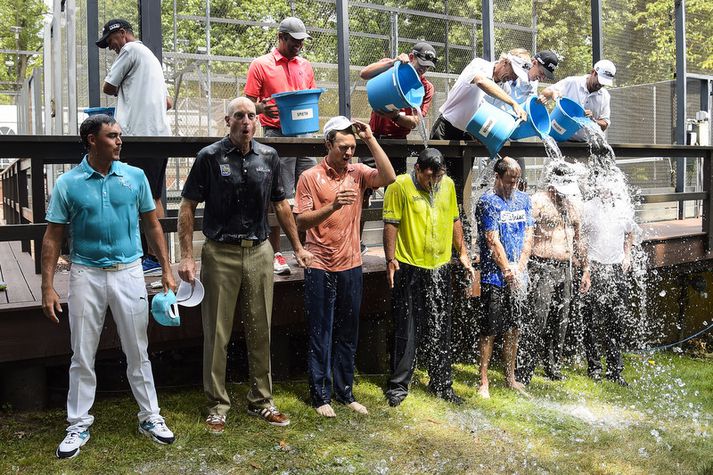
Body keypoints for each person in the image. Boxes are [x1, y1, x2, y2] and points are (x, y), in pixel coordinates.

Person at [42, 114, 176, 459]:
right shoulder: (68, 184)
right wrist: (48, 287)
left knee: (138, 349)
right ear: (91, 140)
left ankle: (151, 417)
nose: (119, 141)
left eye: (119, 135)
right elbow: (52, 236)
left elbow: (153, 226)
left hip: (129, 271)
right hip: (85, 273)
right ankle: (78, 424)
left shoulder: (135, 177)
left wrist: (167, 269)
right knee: (82, 353)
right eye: (112, 136)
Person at [177, 97, 313, 434]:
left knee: (260, 328)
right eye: (240, 115)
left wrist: (298, 247)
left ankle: (262, 401)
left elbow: (282, 206)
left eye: (251, 116)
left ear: (257, 121)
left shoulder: (269, 157)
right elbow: (187, 206)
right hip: (219, 252)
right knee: (217, 333)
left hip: (259, 251)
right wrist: (186, 255)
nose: (246, 121)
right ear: (228, 120)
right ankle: (216, 406)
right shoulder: (209, 157)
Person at [294, 116, 396, 417]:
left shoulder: (358, 172)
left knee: (348, 331)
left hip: (351, 263)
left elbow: (389, 177)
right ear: (328, 144)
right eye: (343, 147)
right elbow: (301, 220)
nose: (348, 153)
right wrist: (334, 205)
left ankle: (345, 392)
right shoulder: (310, 177)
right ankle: (320, 395)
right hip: (320, 263)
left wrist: (370, 139)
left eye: (352, 147)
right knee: (321, 331)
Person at [382, 148, 476, 407]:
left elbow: (455, 219)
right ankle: (399, 386)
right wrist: (390, 260)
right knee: (407, 327)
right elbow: (391, 224)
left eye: (437, 178)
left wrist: (463, 252)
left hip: (440, 265)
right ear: (417, 169)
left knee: (441, 325)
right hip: (409, 265)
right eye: (428, 178)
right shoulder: (399, 186)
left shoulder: (446, 185)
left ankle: (441, 383)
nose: (433, 183)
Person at [97, 18, 173, 274]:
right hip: (160, 136)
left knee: (141, 196)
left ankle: (152, 258)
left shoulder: (130, 50)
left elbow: (108, 86)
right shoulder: (152, 59)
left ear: (122, 33)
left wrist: (128, 95)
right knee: (153, 195)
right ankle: (155, 256)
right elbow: (169, 102)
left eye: (111, 41)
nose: (111, 48)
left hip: (140, 135)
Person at [245, 16, 316, 275]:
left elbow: (310, 97)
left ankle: (309, 247)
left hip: (305, 135)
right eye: (294, 41)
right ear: (281, 38)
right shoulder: (261, 65)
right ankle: (276, 253)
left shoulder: (306, 66)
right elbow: (247, 104)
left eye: (302, 41)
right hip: (276, 135)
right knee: (279, 194)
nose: (299, 45)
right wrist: (262, 107)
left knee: (310, 190)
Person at [516, 163, 591, 385]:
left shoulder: (572, 204)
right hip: (542, 267)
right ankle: (524, 369)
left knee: (561, 320)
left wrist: (586, 269)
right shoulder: (538, 201)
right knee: (538, 318)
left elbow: (579, 239)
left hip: (566, 268)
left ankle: (553, 365)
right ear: (552, 184)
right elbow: (525, 233)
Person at [475, 157, 533, 398]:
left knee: (514, 328)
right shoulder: (488, 202)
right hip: (494, 277)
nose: (513, 186)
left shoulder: (524, 200)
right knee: (489, 329)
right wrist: (505, 268)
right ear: (497, 177)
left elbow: (529, 235)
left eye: (516, 181)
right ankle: (484, 381)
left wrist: (519, 267)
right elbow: (491, 238)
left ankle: (511, 377)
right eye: (509, 181)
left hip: (518, 275)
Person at [581, 180, 634, 386]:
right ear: (598, 185)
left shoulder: (623, 207)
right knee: (591, 321)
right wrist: (585, 268)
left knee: (617, 322)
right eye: (606, 184)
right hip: (594, 267)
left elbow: (631, 232)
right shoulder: (588, 207)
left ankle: (615, 371)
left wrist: (627, 255)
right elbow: (581, 238)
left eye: (613, 185)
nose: (609, 188)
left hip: (616, 268)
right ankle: (594, 368)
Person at [430, 49, 529, 141]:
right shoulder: (479, 64)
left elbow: (490, 117)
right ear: (505, 62)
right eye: (514, 73)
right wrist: (513, 103)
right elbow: (481, 81)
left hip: (469, 135)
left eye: (517, 76)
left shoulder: (505, 89)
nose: (514, 78)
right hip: (446, 127)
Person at [540, 59, 616, 141]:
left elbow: (605, 124)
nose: (601, 85)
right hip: (558, 138)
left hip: (585, 144)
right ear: (593, 72)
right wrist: (552, 93)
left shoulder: (604, 95)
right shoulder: (572, 82)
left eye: (604, 83)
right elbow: (545, 92)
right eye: (600, 81)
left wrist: (592, 120)